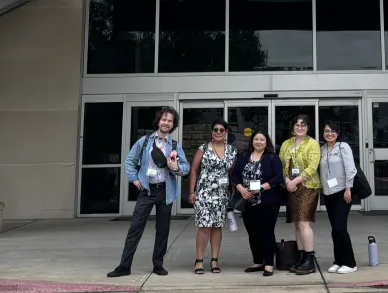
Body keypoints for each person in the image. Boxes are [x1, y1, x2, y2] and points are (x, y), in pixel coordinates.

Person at [108, 107, 190, 278]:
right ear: (158, 121)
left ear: (173, 125)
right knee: (135, 228)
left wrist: (176, 168)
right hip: (146, 190)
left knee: (162, 230)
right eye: (164, 119)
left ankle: (158, 264)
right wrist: (134, 179)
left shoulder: (174, 145)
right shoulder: (144, 142)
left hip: (165, 191)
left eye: (170, 121)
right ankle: (124, 266)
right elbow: (130, 160)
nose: (166, 123)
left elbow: (186, 167)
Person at [188, 118, 237, 275]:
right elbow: (194, 170)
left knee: (217, 227)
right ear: (211, 132)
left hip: (222, 194)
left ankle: (214, 260)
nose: (218, 132)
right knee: (204, 227)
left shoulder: (232, 151)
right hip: (204, 193)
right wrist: (191, 192)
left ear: (226, 132)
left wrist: (234, 193)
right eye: (215, 130)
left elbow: (232, 174)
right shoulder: (203, 148)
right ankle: (199, 260)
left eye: (221, 130)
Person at [232, 130, 284, 277]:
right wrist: (241, 189)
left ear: (266, 142)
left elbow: (279, 177)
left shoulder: (272, 157)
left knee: (266, 231)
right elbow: (234, 176)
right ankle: (258, 260)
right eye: (256, 139)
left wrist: (261, 188)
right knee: (252, 232)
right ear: (252, 141)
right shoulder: (244, 156)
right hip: (247, 200)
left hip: (268, 200)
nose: (259, 142)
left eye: (262, 140)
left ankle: (268, 263)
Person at [278, 114, 321, 275]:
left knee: (304, 223)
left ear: (308, 127)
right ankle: (302, 257)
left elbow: (312, 168)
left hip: (307, 187)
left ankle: (310, 260)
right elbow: (282, 165)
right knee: (297, 223)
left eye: (303, 124)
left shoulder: (313, 144)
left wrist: (294, 181)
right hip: (291, 187)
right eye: (297, 124)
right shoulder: (286, 144)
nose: (300, 127)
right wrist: (287, 180)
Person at [320, 121, 358, 274]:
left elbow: (351, 169)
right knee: (334, 230)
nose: (329, 133)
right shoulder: (322, 149)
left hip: (343, 191)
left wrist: (348, 188)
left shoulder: (343, 147)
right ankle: (338, 261)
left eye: (333, 131)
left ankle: (350, 263)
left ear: (338, 133)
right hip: (329, 193)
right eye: (327, 131)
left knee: (340, 228)